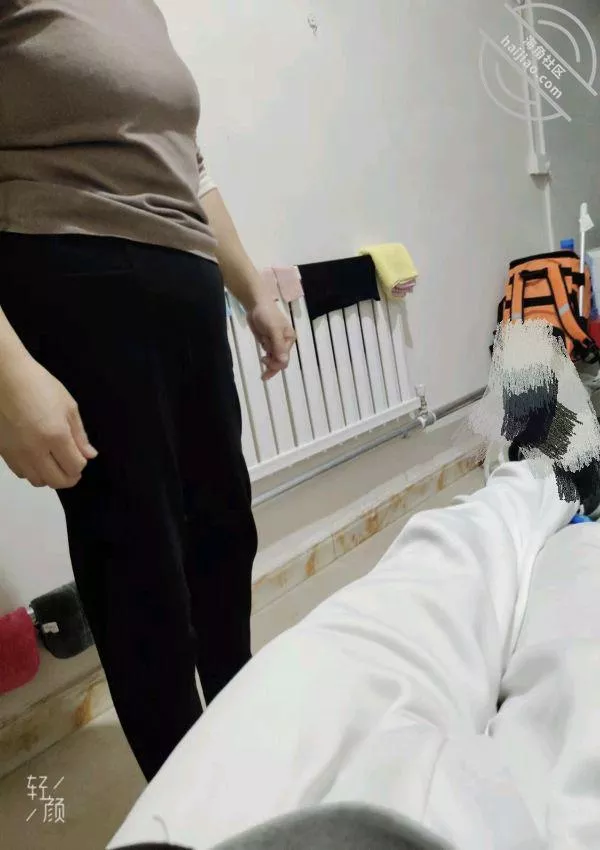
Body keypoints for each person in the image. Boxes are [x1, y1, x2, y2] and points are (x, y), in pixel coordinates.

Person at [0, 1, 295, 782]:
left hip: (185, 284)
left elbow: (189, 167)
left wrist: (254, 291)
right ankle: (189, 796)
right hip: (73, 274)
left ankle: (239, 745)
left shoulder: (140, 9)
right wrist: (6, 372)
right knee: (140, 564)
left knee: (222, 535)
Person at [108, 461, 600, 850]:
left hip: (215, 827)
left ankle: (542, 485)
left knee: (441, 571)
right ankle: (550, 491)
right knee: (565, 614)